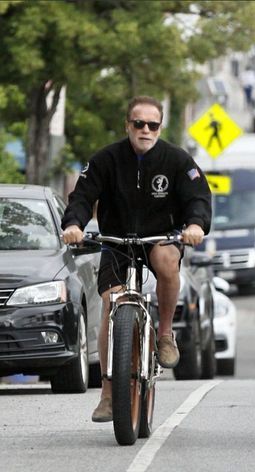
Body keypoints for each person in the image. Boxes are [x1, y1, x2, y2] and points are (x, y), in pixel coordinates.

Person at [61, 96, 211, 422]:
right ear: (127, 125)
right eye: (138, 123)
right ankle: (106, 393)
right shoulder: (105, 160)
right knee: (110, 302)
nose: (145, 130)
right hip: (116, 241)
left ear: (160, 127)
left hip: (159, 238)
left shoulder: (177, 160)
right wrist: (73, 224)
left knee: (168, 262)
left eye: (152, 124)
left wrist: (196, 225)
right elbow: (83, 195)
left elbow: (198, 197)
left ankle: (166, 334)